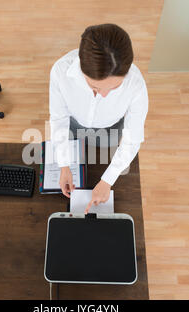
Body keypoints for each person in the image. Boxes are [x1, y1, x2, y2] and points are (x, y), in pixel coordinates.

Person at [49, 23, 148, 213]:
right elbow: (59, 119)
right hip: (73, 125)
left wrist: (107, 180)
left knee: (103, 155)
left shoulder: (135, 84)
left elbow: (133, 139)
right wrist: (63, 166)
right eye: (95, 88)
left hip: (110, 129)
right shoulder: (61, 73)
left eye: (114, 88)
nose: (103, 95)